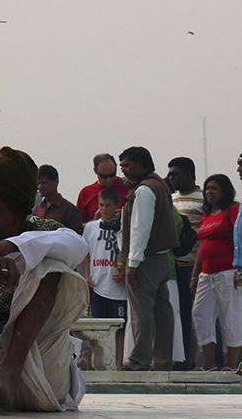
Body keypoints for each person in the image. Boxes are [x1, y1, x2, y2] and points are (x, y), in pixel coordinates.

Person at [0, 148, 89, 413]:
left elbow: (78, 246)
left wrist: (9, 248)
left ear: (13, 202)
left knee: (52, 265)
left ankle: (9, 372)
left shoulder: (44, 231)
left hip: (34, 371)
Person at [116, 146, 176, 371]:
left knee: (141, 312)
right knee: (162, 311)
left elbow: (140, 229)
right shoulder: (160, 184)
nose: (124, 170)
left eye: (127, 165)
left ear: (141, 165)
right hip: (161, 259)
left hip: (145, 260)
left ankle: (138, 361)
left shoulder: (144, 190)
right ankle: (162, 361)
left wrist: (132, 264)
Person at [190, 173, 241, 370]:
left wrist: (240, 267)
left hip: (228, 272)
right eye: (207, 188)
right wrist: (195, 275)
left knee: (231, 316)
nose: (209, 192)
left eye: (214, 188)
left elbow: (240, 238)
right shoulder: (207, 214)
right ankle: (209, 364)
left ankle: (231, 364)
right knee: (201, 313)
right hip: (206, 274)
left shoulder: (233, 210)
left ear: (224, 190)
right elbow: (203, 245)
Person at [167, 157, 205, 370]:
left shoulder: (203, 198)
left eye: (175, 174)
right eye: (169, 174)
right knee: (179, 316)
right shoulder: (171, 199)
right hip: (177, 267)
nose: (171, 178)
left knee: (202, 316)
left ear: (189, 175)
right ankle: (182, 361)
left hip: (197, 267)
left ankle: (210, 361)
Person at [82, 186, 127, 359]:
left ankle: (120, 362)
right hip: (98, 286)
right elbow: (86, 253)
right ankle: (99, 362)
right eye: (101, 205)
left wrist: (122, 269)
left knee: (119, 329)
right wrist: (87, 276)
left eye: (108, 205)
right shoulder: (91, 228)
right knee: (98, 329)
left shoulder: (122, 226)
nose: (104, 209)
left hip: (118, 289)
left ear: (116, 205)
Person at [77, 154, 128, 223]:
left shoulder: (127, 186)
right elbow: (78, 226)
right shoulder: (86, 193)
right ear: (95, 171)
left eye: (112, 174)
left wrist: (124, 217)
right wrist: (96, 222)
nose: (109, 180)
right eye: (104, 176)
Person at [32, 165, 83, 233]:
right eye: (38, 183)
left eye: (44, 183)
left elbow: (78, 237)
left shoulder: (69, 209)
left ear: (56, 182)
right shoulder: (38, 209)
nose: (40, 187)